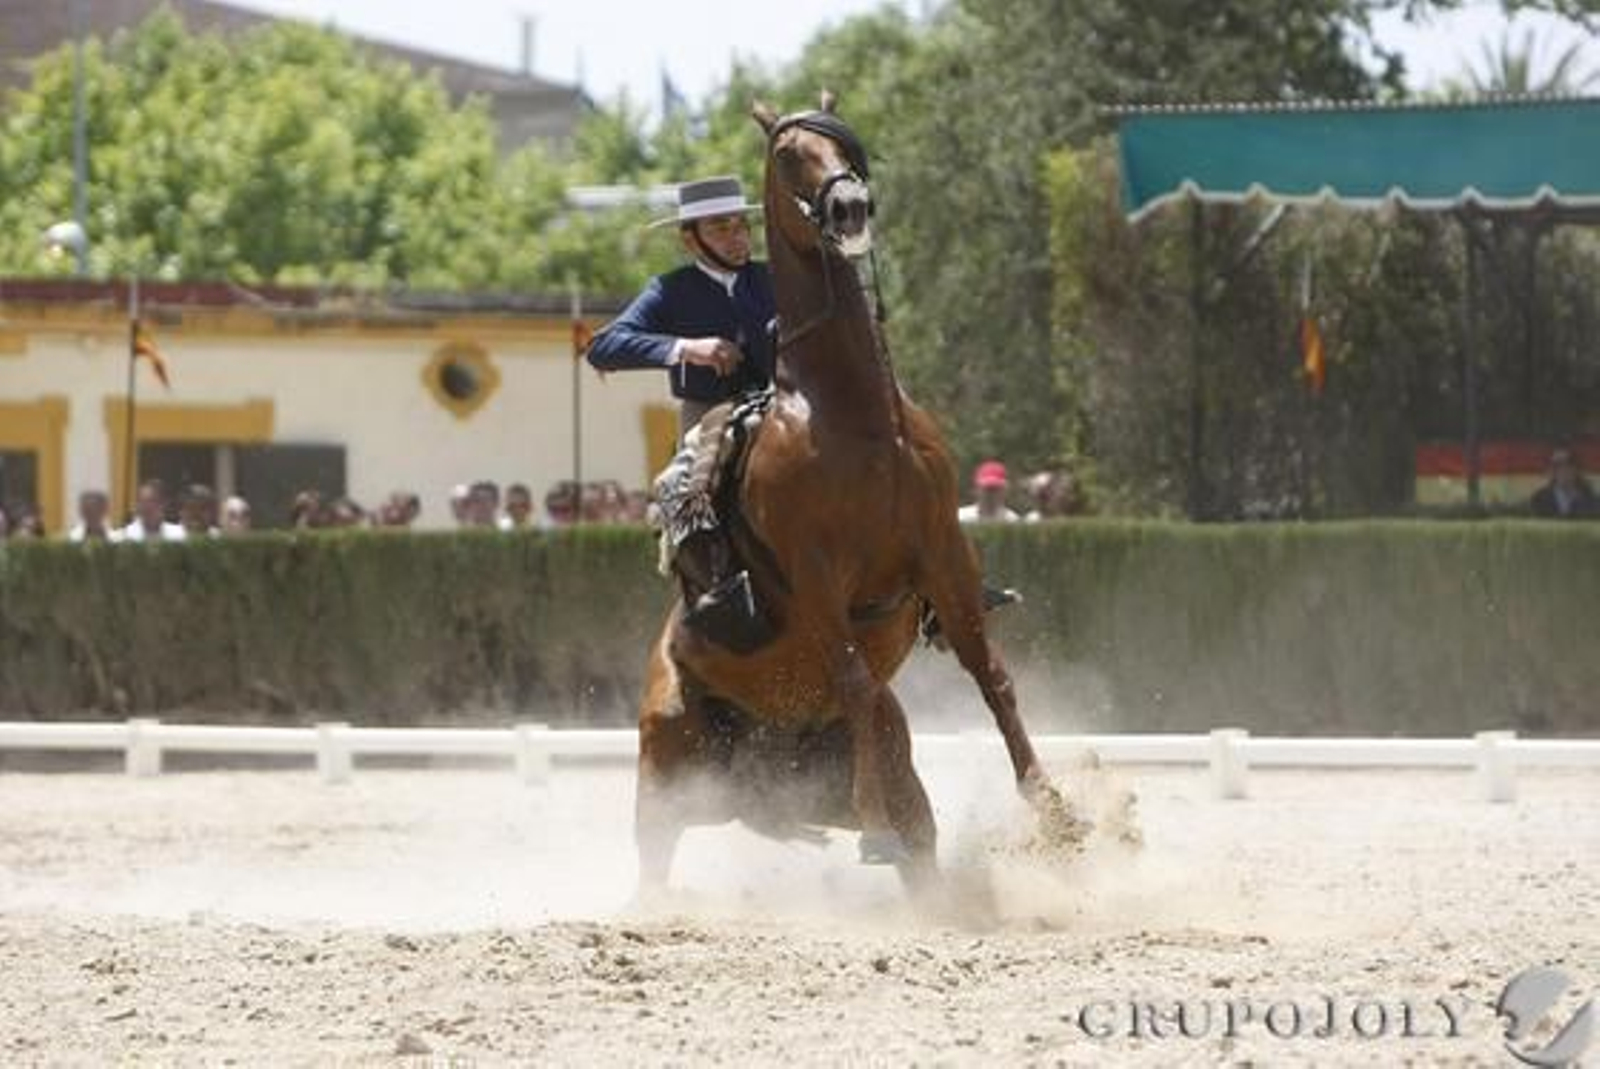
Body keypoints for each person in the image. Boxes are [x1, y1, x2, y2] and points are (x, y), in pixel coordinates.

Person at [586, 175, 775, 438]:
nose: (738, 238)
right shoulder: (669, 290)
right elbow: (602, 347)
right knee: (687, 478)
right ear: (690, 240)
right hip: (707, 414)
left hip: (786, 405)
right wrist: (686, 348)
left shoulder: (779, 279)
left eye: (742, 226)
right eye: (721, 229)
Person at [1530, 448, 1598, 519]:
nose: (1563, 471)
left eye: (1568, 466)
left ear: (1577, 469)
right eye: (1558, 467)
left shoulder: (1591, 500)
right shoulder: (1539, 500)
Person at [119, 479, 186, 542]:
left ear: (163, 504)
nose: (146, 507)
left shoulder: (178, 535)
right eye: (142, 502)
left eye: (151, 501)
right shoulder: (123, 536)